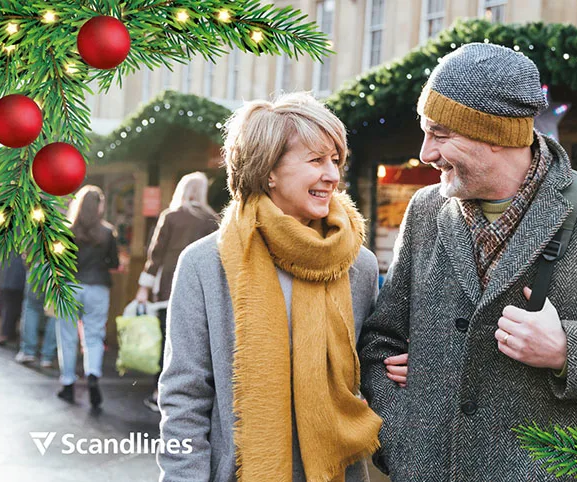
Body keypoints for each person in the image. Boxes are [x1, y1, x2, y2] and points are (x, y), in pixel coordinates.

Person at [358, 43, 577, 481]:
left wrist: (566, 350)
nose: (425, 153)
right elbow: (381, 340)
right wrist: (402, 436)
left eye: (440, 134)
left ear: (496, 136)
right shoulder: (426, 209)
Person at [158, 92, 405, 482]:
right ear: (268, 170)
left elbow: (370, 365)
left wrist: (398, 367)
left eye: (335, 160)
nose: (332, 175)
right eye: (316, 160)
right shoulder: (205, 264)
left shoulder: (358, 265)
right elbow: (184, 397)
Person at [135, 172, 219, 412]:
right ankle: (191, 399)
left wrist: (143, 288)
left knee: (166, 342)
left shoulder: (170, 216)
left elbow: (155, 255)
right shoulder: (212, 219)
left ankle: (158, 394)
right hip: (200, 290)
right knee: (195, 344)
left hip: (167, 289)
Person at [56, 185, 120, 407]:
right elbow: (114, 263)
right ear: (100, 206)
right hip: (98, 287)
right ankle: (92, 374)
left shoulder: (67, 230)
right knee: (93, 336)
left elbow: (58, 261)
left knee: (67, 337)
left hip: (71, 286)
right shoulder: (108, 232)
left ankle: (67, 383)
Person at [15, 267, 58, 367]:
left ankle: (28, 351)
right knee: (54, 313)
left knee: (31, 308)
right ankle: (48, 356)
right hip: (58, 270)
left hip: (37, 266)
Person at [0, 252, 25, 346]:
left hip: (6, 273)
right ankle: (6, 334)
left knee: (8, 305)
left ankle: (7, 333)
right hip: (16, 276)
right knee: (11, 306)